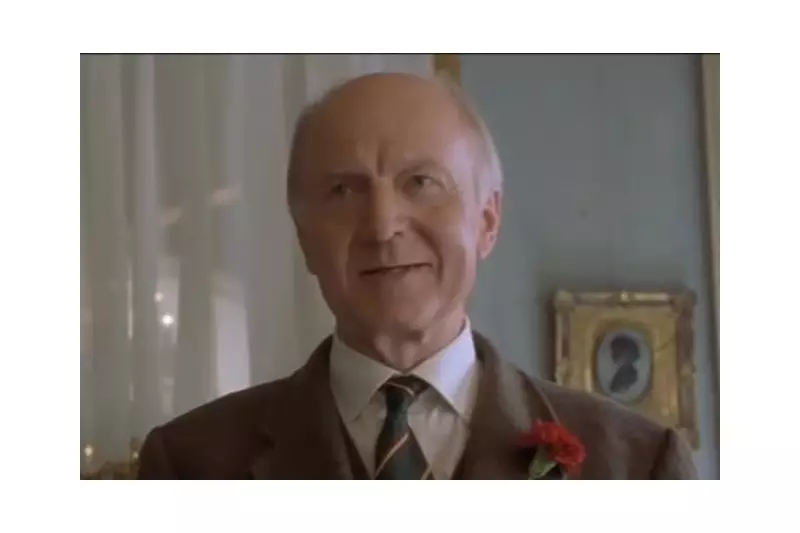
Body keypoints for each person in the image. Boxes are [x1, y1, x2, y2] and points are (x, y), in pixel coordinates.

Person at [137, 72, 697, 480]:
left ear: (487, 220)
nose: (383, 226)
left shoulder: (637, 465)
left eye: (422, 183)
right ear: (304, 237)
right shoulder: (190, 464)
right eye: (343, 190)